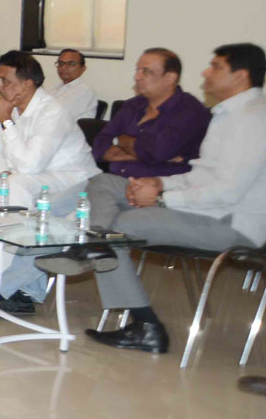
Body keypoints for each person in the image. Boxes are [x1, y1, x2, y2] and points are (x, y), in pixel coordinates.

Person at [39, 43, 265, 354]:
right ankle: (94, 247)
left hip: (231, 222)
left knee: (117, 227)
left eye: (215, 67)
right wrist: (158, 182)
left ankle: (144, 323)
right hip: (209, 209)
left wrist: (161, 199)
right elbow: (202, 173)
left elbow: (227, 192)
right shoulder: (228, 114)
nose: (205, 72)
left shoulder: (252, 120)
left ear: (240, 76)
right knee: (103, 181)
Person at [0, 51, 99, 315]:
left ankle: (10, 288)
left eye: (5, 81)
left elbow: (32, 164)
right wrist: (4, 174)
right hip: (23, 174)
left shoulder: (51, 112)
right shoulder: (2, 105)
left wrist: (6, 121)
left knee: (17, 187)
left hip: (68, 182)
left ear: (26, 84)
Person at [91, 48, 210, 181]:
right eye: (137, 70)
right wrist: (140, 152)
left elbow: (156, 152)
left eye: (146, 71)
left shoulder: (190, 111)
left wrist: (120, 141)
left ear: (170, 77)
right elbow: (99, 145)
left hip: (158, 191)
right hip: (115, 180)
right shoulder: (132, 105)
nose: (137, 77)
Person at [46, 49, 99, 121]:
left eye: (71, 64)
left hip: (66, 131)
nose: (63, 67)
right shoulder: (54, 89)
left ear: (83, 68)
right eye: (61, 63)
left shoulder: (85, 91)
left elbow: (57, 115)